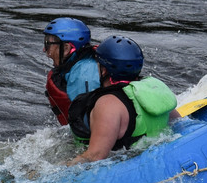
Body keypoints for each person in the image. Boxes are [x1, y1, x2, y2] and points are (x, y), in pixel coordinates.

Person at [67, 35, 178, 164]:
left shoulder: (108, 104)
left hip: (130, 167)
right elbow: (179, 123)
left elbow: (95, 156)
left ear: (104, 70)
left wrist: (58, 168)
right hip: (160, 156)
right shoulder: (154, 90)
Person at [42, 17, 100, 125]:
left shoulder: (83, 75)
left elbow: (90, 125)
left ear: (66, 48)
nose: (44, 50)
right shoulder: (76, 66)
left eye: (48, 44)